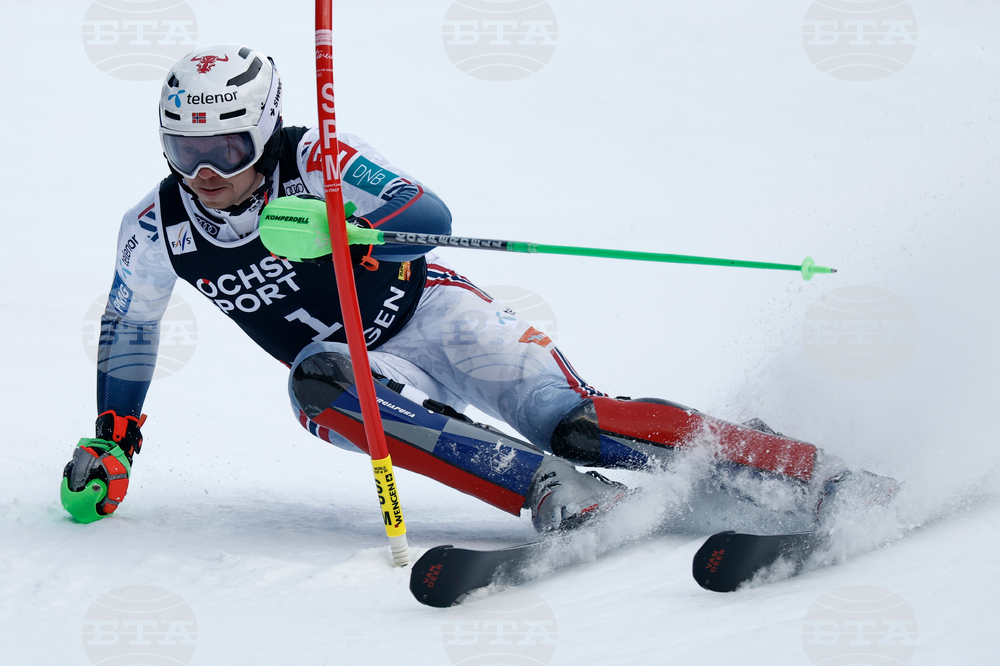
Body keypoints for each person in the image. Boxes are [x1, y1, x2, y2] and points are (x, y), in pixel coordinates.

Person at [62, 44, 896, 532]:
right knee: (317, 386)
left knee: (575, 424)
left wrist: (350, 229)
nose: (208, 172)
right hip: (354, 362)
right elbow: (130, 326)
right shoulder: (154, 225)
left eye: (230, 147)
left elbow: (426, 209)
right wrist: (113, 436)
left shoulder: (317, 159)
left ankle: (801, 467)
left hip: (434, 315)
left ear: (268, 125)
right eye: (184, 149)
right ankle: (553, 496)